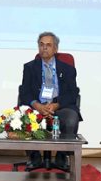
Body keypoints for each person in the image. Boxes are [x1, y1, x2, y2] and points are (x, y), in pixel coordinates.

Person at [19, 32, 81, 170]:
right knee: (24, 117)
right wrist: (36, 105)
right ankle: (34, 156)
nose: (44, 48)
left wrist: (56, 104)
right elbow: (24, 91)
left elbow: (73, 93)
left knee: (71, 118)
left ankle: (61, 156)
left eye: (48, 45)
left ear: (55, 49)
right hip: (37, 105)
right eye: (41, 45)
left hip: (60, 106)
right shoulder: (29, 67)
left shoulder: (68, 69)